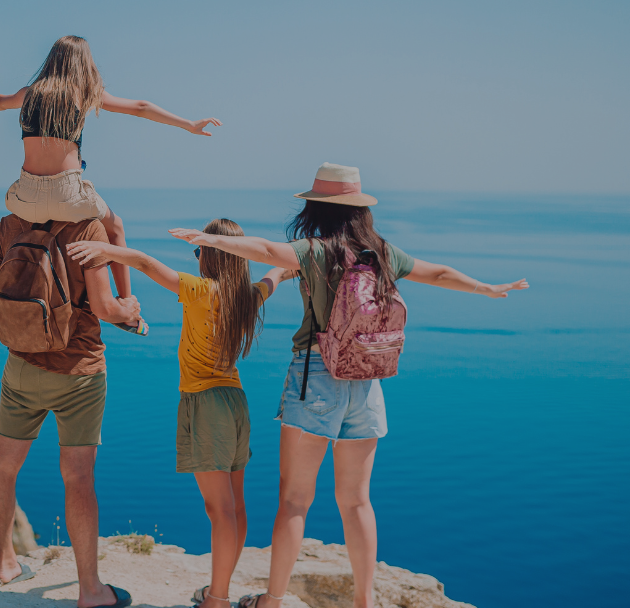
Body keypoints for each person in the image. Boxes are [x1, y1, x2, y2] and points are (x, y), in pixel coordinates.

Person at [169, 163, 529, 608]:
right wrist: (486, 288)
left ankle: (273, 600)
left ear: (317, 208)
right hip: (368, 380)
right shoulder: (382, 253)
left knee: (295, 500)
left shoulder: (316, 251)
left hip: (316, 377)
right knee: (357, 502)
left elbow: (262, 249)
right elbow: (437, 273)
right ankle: (363, 600)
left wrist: (211, 240)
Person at [67, 219, 296, 608]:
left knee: (219, 509)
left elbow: (144, 262)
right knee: (234, 506)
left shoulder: (201, 290)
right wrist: (287, 268)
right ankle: (217, 591)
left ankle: (218, 599)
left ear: (210, 255)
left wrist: (105, 252)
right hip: (235, 402)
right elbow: (273, 277)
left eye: (199, 252)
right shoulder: (247, 296)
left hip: (206, 404)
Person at [0, 35, 221, 334]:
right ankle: (126, 305)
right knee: (116, 226)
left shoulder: (29, 93)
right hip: (67, 194)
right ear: (84, 64)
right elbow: (140, 107)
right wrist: (188, 124)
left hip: (25, 195)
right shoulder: (83, 93)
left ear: (52, 60)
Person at [0, 212, 141, 608]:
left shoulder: (9, 226)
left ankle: (6, 564)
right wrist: (130, 309)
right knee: (78, 478)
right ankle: (90, 591)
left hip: (22, 365)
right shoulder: (87, 230)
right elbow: (105, 307)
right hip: (79, 372)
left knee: (3, 466)